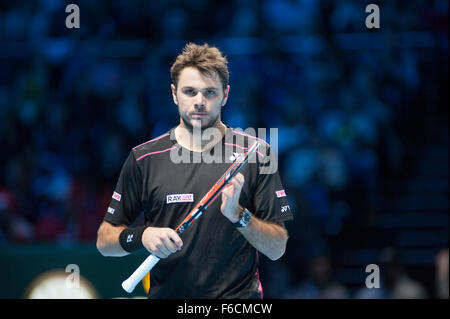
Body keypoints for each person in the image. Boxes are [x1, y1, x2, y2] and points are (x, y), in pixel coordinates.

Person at [96, 43, 294, 298]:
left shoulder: (257, 153)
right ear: (174, 94)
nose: (199, 102)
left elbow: (277, 247)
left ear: (225, 95)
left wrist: (239, 215)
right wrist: (143, 236)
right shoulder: (144, 159)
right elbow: (104, 241)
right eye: (190, 92)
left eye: (210, 92)